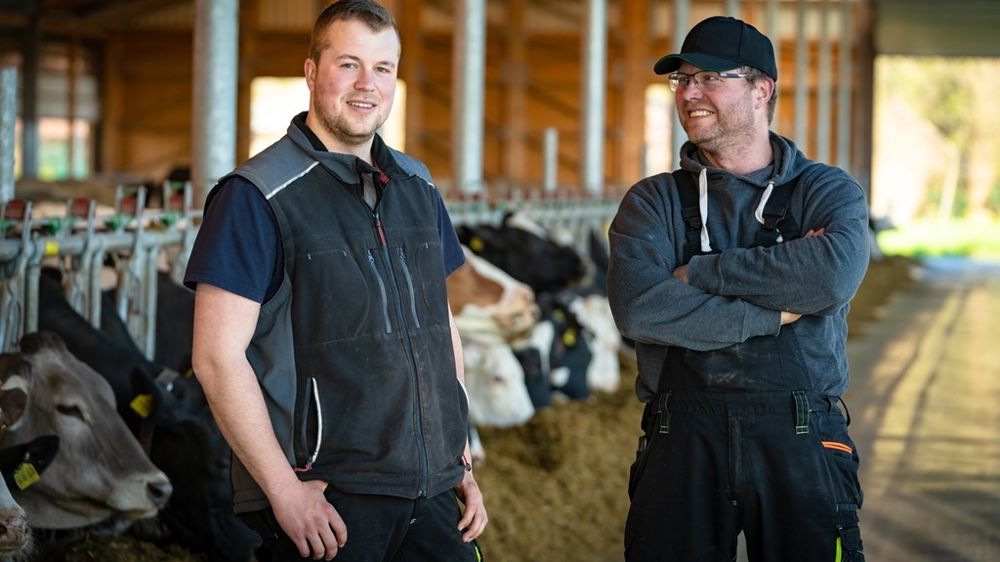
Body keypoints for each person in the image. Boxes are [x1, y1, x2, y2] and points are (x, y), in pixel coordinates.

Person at [184, 1, 487, 560]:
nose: (366, 84)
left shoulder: (418, 185)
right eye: (348, 64)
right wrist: (283, 493)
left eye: (383, 68)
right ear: (311, 72)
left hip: (434, 489)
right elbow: (215, 357)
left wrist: (456, 456)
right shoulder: (256, 196)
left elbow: (440, 330)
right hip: (329, 501)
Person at [607, 15, 869, 562]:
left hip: (801, 431)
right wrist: (772, 314)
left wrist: (700, 273)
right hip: (680, 437)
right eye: (681, 80)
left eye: (708, 78)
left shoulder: (823, 190)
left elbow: (830, 277)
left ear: (761, 89)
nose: (689, 93)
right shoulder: (652, 201)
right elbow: (639, 309)